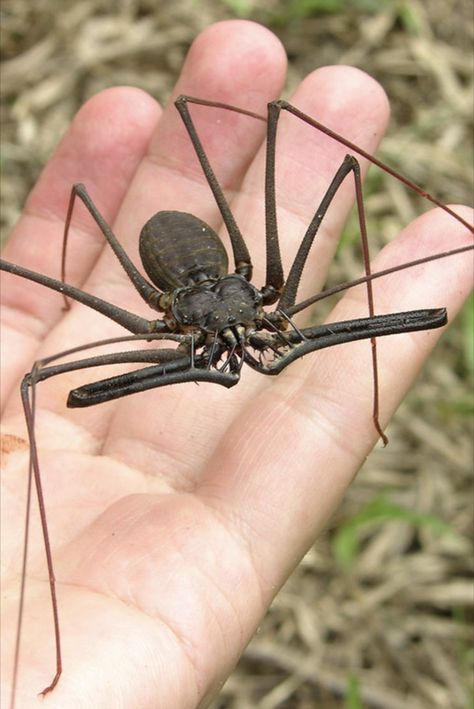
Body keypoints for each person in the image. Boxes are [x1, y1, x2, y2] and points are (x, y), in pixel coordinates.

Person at [1, 19, 471, 708]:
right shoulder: (154, 317)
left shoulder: (260, 288)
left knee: (312, 144)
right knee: (42, 375)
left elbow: (342, 169)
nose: (243, 340)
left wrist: (369, 395)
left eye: (251, 324)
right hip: (174, 280)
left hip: (228, 279)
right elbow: (46, 381)